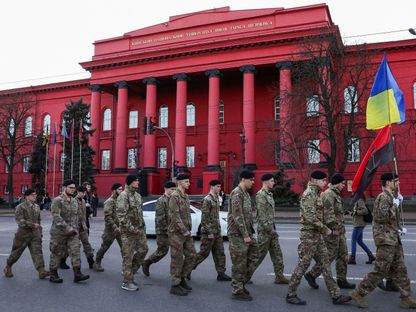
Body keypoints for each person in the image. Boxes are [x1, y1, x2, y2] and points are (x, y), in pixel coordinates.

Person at [350, 173, 416, 309]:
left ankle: (406, 298)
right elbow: (380, 217)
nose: (397, 183)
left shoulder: (391, 197)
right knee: (380, 270)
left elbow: (390, 221)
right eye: (395, 181)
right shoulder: (383, 197)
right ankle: (358, 293)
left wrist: (398, 228)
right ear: (387, 183)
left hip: (393, 237)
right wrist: (395, 206)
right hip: (385, 240)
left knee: (401, 269)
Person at [286, 170, 351, 306]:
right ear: (315, 181)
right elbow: (310, 217)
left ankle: (336, 295)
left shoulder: (317, 194)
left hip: (317, 235)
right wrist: (326, 229)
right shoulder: (309, 194)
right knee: (302, 265)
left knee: (326, 264)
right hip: (309, 236)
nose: (325, 183)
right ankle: (291, 294)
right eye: (323, 181)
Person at [305, 173, 355, 289]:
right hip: (333, 231)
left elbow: (337, 212)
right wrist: (334, 229)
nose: (344, 185)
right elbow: (328, 215)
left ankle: (342, 280)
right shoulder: (329, 194)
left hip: (340, 231)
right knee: (329, 256)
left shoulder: (336, 194)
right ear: (337, 183)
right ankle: (312, 274)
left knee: (343, 255)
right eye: (342, 183)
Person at [49, 180, 89, 283]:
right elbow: (56, 216)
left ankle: (77, 274)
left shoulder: (74, 200)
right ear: (65, 188)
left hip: (73, 232)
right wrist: (68, 228)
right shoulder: (58, 200)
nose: (73, 189)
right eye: (70, 187)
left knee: (75, 251)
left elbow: (77, 216)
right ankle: (53, 274)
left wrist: (78, 229)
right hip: (59, 232)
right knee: (56, 253)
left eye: (74, 188)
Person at [3, 189, 50, 279]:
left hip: (35, 234)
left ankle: (41, 271)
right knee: (16, 253)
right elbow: (20, 221)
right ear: (26, 196)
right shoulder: (20, 207)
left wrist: (40, 233)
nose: (35, 196)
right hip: (23, 234)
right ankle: (8, 267)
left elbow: (38, 221)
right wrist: (33, 225)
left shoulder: (36, 206)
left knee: (38, 253)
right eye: (33, 195)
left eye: (35, 194)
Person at [228, 170, 259, 301]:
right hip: (237, 233)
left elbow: (247, 215)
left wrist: (250, 232)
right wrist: (246, 235)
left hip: (247, 232)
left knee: (254, 255)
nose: (253, 182)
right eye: (251, 180)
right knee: (239, 262)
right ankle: (237, 290)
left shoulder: (246, 194)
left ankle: (241, 283)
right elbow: (237, 216)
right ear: (243, 179)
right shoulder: (237, 193)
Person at [193, 179, 231, 281]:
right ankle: (187, 269)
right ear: (212, 187)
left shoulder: (216, 198)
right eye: (217, 186)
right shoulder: (207, 200)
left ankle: (221, 273)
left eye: (220, 186)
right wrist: (209, 232)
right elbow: (205, 218)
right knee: (203, 253)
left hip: (217, 232)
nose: (219, 188)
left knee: (220, 253)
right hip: (209, 233)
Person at [254, 173, 289, 285]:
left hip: (271, 230)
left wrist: (272, 229)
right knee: (258, 256)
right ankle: (244, 276)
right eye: (272, 181)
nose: (274, 182)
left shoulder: (269, 194)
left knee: (277, 254)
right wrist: (269, 229)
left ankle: (279, 277)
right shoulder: (261, 195)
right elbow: (262, 215)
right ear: (265, 182)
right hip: (265, 231)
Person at [116, 174, 148, 291]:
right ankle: (126, 281)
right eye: (136, 181)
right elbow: (121, 216)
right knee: (128, 256)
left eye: (138, 181)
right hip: (128, 232)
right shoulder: (123, 196)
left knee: (143, 250)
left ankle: (130, 273)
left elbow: (139, 214)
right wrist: (131, 229)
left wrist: (142, 227)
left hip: (139, 231)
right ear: (130, 182)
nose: (138, 183)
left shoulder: (138, 196)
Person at [168, 174, 197, 296]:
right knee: (177, 258)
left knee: (192, 255)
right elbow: (174, 215)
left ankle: (182, 278)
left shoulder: (185, 196)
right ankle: (175, 285)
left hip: (186, 232)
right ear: (179, 183)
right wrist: (184, 229)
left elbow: (186, 215)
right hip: (176, 233)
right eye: (186, 181)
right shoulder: (175, 196)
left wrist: (188, 229)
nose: (189, 183)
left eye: (189, 181)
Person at [142, 181, 176, 276]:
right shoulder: (161, 201)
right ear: (166, 189)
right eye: (172, 189)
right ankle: (147, 262)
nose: (174, 191)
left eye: (175, 189)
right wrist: (167, 230)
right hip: (163, 231)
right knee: (162, 251)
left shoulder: (173, 200)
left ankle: (178, 274)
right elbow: (160, 219)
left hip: (173, 230)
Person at [94, 183, 123, 272]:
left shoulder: (120, 201)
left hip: (120, 229)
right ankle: (97, 262)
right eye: (119, 189)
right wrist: (115, 227)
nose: (121, 191)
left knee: (125, 248)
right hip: (110, 230)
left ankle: (128, 265)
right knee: (105, 247)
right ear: (114, 191)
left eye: (122, 189)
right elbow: (107, 217)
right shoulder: (109, 201)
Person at [348, 193, 375, 265]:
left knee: (353, 240)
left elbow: (365, 210)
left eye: (353, 193)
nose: (352, 194)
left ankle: (352, 258)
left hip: (359, 224)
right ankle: (370, 255)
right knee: (359, 241)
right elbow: (356, 212)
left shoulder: (359, 200)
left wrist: (356, 212)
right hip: (359, 223)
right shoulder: (358, 200)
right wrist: (350, 213)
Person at [75, 185, 95, 269]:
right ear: (77, 192)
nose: (83, 194)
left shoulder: (83, 201)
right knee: (73, 246)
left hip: (83, 227)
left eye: (84, 193)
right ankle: (62, 261)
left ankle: (91, 262)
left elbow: (83, 214)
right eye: (82, 192)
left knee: (87, 244)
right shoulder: (73, 201)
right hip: (75, 227)